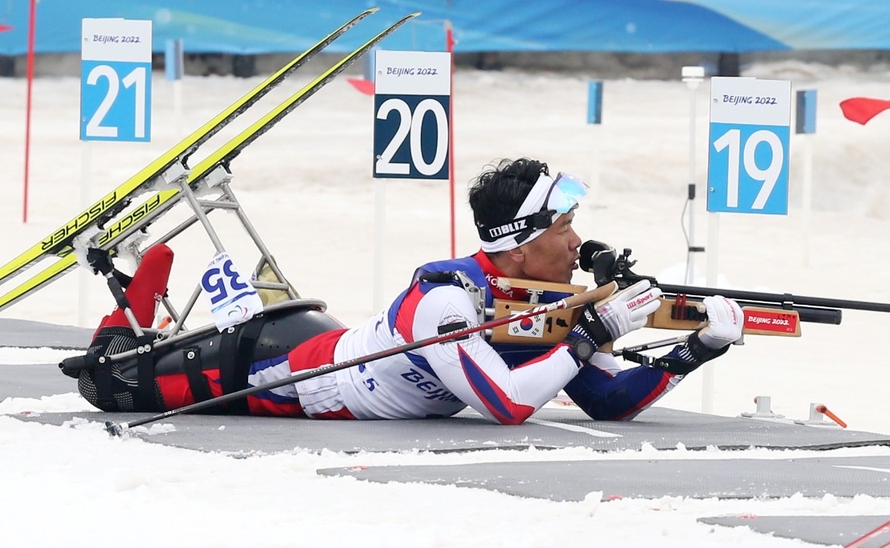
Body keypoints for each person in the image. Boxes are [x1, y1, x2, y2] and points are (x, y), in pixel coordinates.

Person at [75, 158, 744, 424]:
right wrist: (596, 334)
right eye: (565, 227)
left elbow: (605, 401)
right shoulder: (448, 300)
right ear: (517, 243)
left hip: (324, 342)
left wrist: (697, 350)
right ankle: (131, 294)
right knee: (109, 382)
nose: (578, 243)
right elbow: (508, 405)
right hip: (283, 370)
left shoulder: (543, 306)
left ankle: (142, 302)